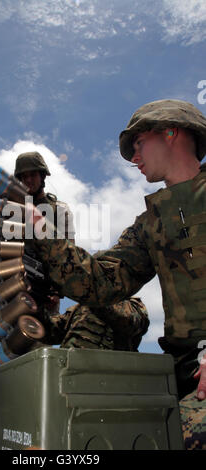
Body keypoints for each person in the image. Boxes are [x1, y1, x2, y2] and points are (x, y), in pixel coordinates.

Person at [0, 151, 149, 418]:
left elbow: (66, 255)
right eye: (21, 176)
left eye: (32, 174)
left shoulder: (57, 212)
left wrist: (54, 290)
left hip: (42, 289)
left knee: (34, 340)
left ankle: (35, 406)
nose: (27, 180)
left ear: (43, 176)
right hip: (5, 281)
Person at [29, 99, 206, 450]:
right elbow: (99, 282)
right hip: (185, 372)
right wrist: (40, 228)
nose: (133, 158)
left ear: (171, 131)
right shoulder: (149, 225)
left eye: (138, 144)